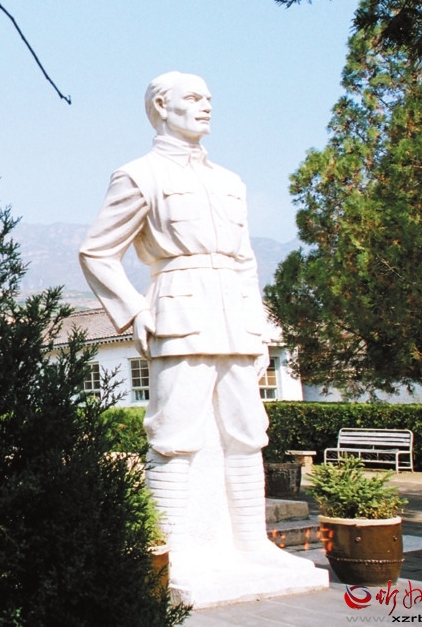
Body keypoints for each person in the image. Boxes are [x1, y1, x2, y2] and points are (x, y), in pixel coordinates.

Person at [79, 72, 311, 581]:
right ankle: (174, 548)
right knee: (174, 436)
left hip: (235, 317)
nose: (206, 105)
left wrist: (257, 325)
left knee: (247, 435)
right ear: (162, 107)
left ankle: (251, 543)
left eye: (209, 98)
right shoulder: (139, 175)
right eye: (193, 98)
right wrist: (135, 311)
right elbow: (96, 252)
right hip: (179, 314)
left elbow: (245, 259)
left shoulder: (230, 182)